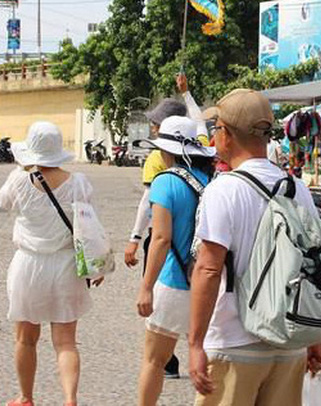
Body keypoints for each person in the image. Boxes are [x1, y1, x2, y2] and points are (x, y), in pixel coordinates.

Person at [188, 89, 321, 406]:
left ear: (226, 134)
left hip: (234, 342)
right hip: (288, 342)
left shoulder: (224, 190)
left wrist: (195, 344)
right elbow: (311, 265)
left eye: (215, 127)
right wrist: (312, 338)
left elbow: (208, 270)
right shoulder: (297, 188)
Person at [0, 122, 103, 406]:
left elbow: (1, 202)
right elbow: (90, 224)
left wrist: (22, 168)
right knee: (66, 341)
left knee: (25, 338)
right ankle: (69, 399)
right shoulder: (78, 182)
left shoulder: (19, 179)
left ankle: (26, 397)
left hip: (29, 264)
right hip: (66, 265)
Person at [125, 74, 207, 378]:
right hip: (203, 256)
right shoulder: (203, 157)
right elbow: (200, 123)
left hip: (170, 246)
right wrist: (187, 94)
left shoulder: (159, 162)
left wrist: (135, 239)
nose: (153, 127)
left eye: (156, 123)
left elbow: (149, 211)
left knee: (157, 337)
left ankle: (169, 361)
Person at [134, 116, 216, 406]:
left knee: (154, 361)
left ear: (165, 150)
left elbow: (160, 239)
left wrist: (146, 287)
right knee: (208, 363)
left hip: (174, 282)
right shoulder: (211, 181)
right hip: (209, 285)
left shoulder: (165, 182)